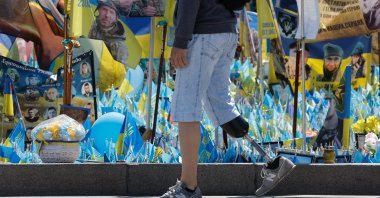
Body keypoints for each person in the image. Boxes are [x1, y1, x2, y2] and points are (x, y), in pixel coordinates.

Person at [161, 0, 295, 197]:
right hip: (226, 30)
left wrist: (180, 40)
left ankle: (188, 186)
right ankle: (273, 162)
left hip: (202, 32)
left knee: (186, 107)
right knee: (220, 105)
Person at [88, 0, 129, 65]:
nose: (107, 15)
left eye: (111, 12)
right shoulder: (94, 27)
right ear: (98, 10)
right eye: (104, 9)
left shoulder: (119, 45)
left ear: (116, 18)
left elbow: (119, 72)